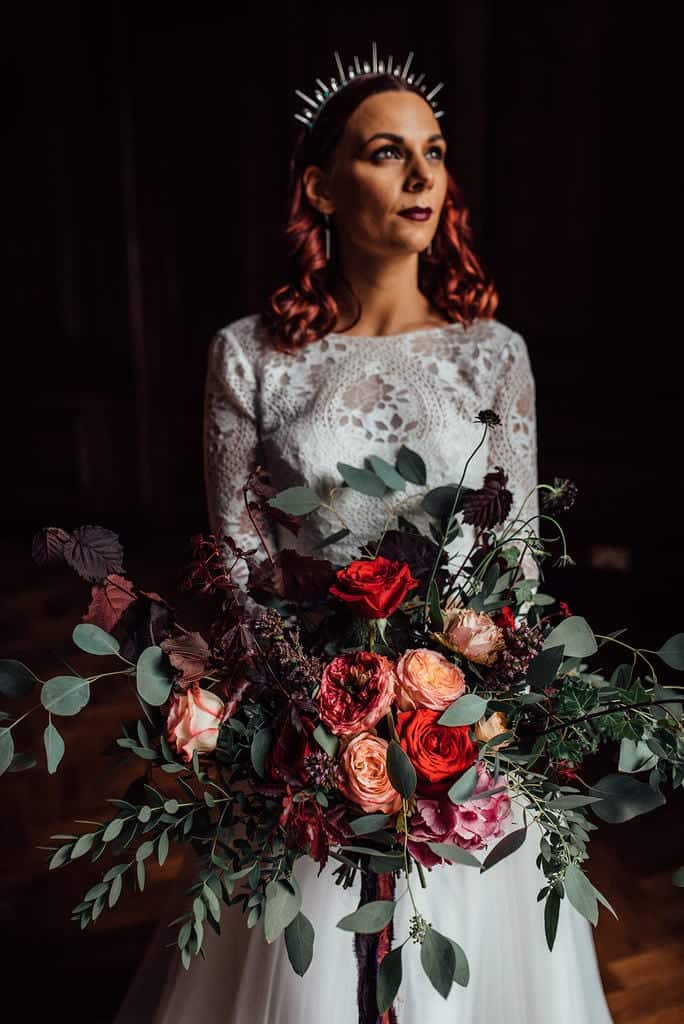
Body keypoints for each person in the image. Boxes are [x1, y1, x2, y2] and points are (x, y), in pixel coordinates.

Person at [113, 47, 614, 1024]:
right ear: (322, 186)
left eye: (433, 154)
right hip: (309, 731)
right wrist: (314, 718)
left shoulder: (492, 355)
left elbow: (513, 558)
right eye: (389, 153)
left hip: (458, 731)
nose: (423, 178)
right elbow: (241, 566)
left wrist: (465, 700)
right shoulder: (249, 357)